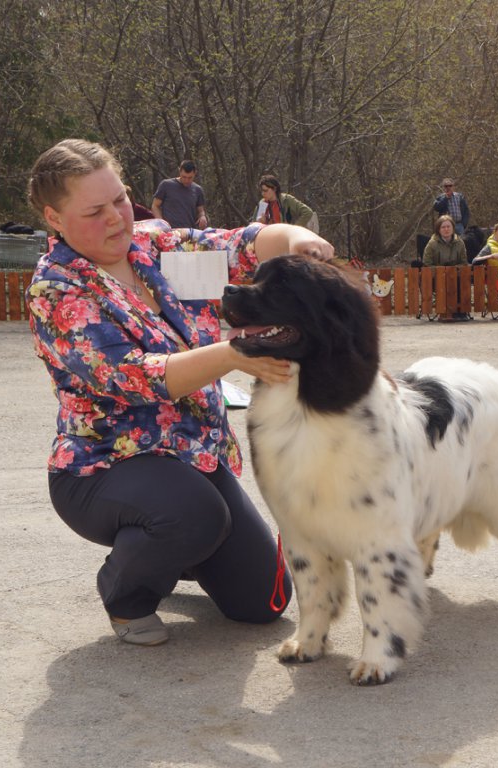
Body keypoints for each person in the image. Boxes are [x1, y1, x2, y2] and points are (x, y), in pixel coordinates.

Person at [26, 139, 335, 647]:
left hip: (194, 456)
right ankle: (125, 594)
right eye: (95, 211)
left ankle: (178, 552)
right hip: (104, 467)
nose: (116, 218)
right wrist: (234, 354)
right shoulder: (55, 290)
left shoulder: (157, 245)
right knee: (194, 515)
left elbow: (241, 245)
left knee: (263, 604)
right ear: (54, 218)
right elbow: (138, 376)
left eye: (120, 199)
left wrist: (299, 239)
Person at [422, 215, 469, 321]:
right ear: (438, 229)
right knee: (443, 282)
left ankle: (461, 312)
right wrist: (441, 271)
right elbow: (426, 263)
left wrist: (453, 270)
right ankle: (444, 313)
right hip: (437, 277)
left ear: (453, 228)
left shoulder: (460, 243)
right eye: (443, 227)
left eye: (448, 227)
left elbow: (464, 262)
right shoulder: (432, 244)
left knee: (460, 281)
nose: (446, 229)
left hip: (456, 275)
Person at [152, 159, 208, 229]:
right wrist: (161, 223)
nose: (186, 180)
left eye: (190, 177)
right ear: (180, 171)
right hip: (170, 231)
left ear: (194, 174)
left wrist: (202, 216)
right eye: (184, 177)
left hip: (190, 231)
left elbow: (201, 211)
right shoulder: (166, 185)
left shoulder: (198, 190)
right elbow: (155, 206)